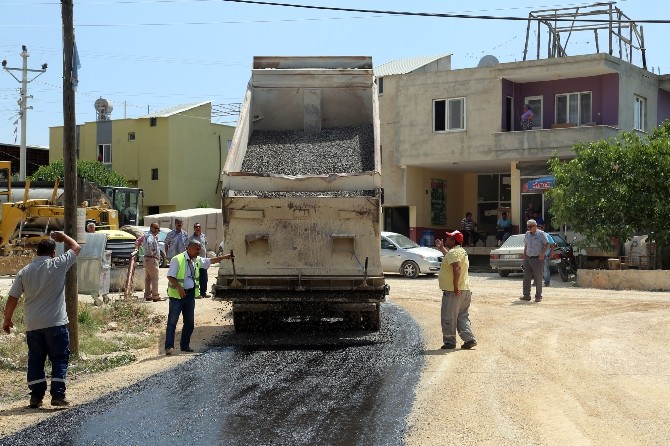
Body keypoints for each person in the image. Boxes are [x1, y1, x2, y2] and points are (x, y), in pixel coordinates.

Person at [2, 231, 81, 409]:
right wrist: (64, 237)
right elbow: (76, 248)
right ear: (53, 253)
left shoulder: (25, 272)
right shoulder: (58, 264)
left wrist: (7, 319)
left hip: (33, 325)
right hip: (56, 323)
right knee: (59, 358)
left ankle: (36, 397)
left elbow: (13, 297)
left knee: (36, 359)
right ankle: (58, 395)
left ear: (36, 252)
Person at [164, 239, 233, 355]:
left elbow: (209, 261)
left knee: (190, 323)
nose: (198, 251)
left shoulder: (196, 260)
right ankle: (169, 346)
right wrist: (179, 288)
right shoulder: (177, 259)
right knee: (172, 322)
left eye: (199, 249)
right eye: (197, 249)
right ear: (189, 248)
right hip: (177, 296)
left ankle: (185, 346)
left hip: (189, 295)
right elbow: (170, 276)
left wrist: (224, 257)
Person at [435, 230, 477, 350]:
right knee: (462, 316)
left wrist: (455, 286)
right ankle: (469, 339)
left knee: (448, 317)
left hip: (454, 292)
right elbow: (452, 258)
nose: (446, 239)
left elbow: (456, 268)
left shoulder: (454, 252)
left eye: (449, 238)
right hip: (465, 290)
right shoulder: (461, 251)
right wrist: (442, 249)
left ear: (453, 241)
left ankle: (449, 342)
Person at [521, 219, 549, 302]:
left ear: (535, 226)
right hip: (528, 259)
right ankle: (526, 295)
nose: (529, 228)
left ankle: (538, 296)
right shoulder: (527, 234)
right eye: (528, 226)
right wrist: (524, 255)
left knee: (538, 278)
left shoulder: (541, 234)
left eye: (531, 226)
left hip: (538, 259)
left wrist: (543, 253)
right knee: (526, 277)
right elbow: (526, 245)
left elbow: (547, 244)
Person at [135, 223, 164, 302]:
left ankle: (148, 295)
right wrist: (153, 253)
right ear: (151, 227)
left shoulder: (147, 235)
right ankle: (155, 296)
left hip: (147, 258)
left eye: (158, 229)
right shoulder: (150, 236)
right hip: (152, 259)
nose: (156, 230)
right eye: (155, 228)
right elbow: (150, 244)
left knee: (147, 279)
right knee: (155, 278)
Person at [189, 222, 209, 298]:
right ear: (194, 229)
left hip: (203, 259)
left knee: (204, 277)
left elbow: (205, 247)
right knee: (196, 277)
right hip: (195, 260)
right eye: (196, 227)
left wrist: (206, 257)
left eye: (199, 227)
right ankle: (195, 293)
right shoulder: (191, 238)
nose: (198, 228)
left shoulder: (203, 236)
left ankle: (203, 292)